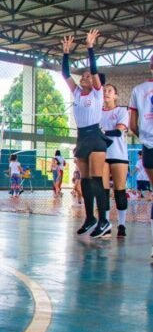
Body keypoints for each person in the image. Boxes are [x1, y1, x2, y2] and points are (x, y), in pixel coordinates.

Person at [61, 30, 111, 238]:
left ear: (95, 81)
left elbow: (94, 69)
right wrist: (66, 53)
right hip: (82, 137)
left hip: (95, 137)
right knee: (85, 180)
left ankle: (104, 220)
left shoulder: (98, 93)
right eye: (83, 75)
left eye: (88, 76)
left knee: (97, 180)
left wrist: (90, 47)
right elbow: (65, 74)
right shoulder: (76, 93)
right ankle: (90, 217)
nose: (84, 77)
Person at [128, 54, 153, 257]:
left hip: (149, 145)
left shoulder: (138, 90)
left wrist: (145, 138)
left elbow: (132, 125)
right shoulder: (138, 90)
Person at [100, 83, 129, 237]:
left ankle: (122, 225)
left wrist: (102, 132)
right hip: (102, 155)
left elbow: (118, 132)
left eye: (110, 90)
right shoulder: (97, 113)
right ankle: (105, 224)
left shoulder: (121, 111)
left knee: (119, 190)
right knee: (103, 191)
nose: (106, 92)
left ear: (115, 95)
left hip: (118, 154)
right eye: (104, 90)